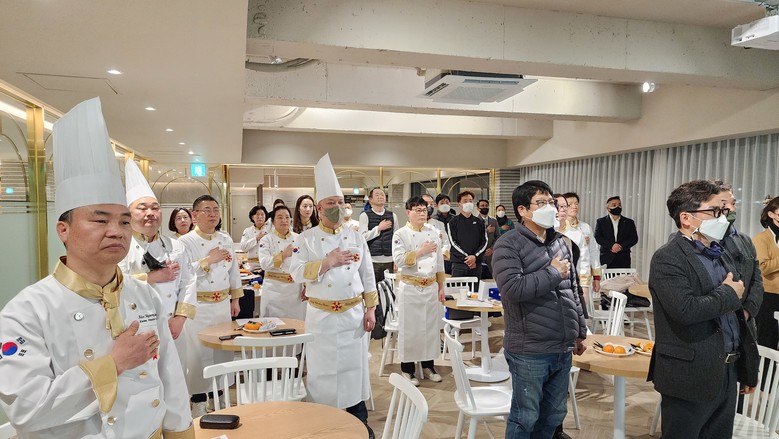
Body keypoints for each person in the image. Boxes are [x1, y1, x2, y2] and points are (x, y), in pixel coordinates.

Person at [0, 98, 193, 437]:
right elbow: (26, 410)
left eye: (124, 221)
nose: (116, 231)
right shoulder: (27, 311)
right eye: (100, 220)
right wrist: (113, 364)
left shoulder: (144, 295)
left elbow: (170, 378)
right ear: (64, 230)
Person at [648, 180, 758, 438]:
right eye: (714, 211)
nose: (723, 217)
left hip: (728, 367)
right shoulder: (668, 257)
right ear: (686, 218)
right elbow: (686, 310)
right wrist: (728, 293)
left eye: (723, 211)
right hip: (690, 372)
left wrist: (746, 367)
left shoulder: (719, 252)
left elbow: (735, 308)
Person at [289, 154, 377, 438]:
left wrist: (371, 309)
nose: (337, 207)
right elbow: (296, 272)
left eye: (340, 202)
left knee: (354, 368)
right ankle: (323, 423)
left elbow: (367, 274)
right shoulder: (305, 239)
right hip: (322, 315)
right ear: (319, 208)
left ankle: (358, 420)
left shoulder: (356, 236)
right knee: (322, 371)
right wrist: (327, 262)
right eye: (331, 203)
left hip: (352, 315)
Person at [492, 180, 586, 438]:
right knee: (525, 417)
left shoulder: (561, 242)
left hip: (562, 345)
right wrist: (553, 273)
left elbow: (573, 289)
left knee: (554, 415)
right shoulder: (508, 244)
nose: (550, 208)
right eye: (541, 203)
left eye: (551, 202)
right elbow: (513, 289)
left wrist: (579, 331)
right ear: (523, 210)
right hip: (529, 348)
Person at [119, 160, 197, 376]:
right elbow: (116, 282)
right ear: (128, 214)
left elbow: (189, 282)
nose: (150, 213)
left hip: (172, 326)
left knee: (176, 376)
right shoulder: (121, 247)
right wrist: (154, 277)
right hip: (136, 330)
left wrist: (180, 318)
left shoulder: (176, 246)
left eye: (155, 208)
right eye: (142, 208)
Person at [177, 194, 242, 417]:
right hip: (198, 306)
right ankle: (198, 398)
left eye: (216, 210)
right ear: (195, 215)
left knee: (221, 351)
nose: (213, 214)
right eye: (207, 210)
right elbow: (183, 273)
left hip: (222, 305)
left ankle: (219, 394)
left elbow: (234, 271)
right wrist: (208, 260)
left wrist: (235, 299)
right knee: (197, 354)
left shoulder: (225, 238)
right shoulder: (185, 242)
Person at [392, 196, 446, 386]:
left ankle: (428, 365)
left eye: (424, 210)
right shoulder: (400, 234)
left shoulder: (433, 232)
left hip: (430, 286)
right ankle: (407, 368)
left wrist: (441, 286)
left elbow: (439, 262)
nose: (422, 213)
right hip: (410, 287)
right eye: (418, 210)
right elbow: (399, 260)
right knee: (410, 329)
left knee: (430, 328)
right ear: (408, 212)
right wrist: (421, 251)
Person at [713, 181, 762, 342]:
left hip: (744, 327)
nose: (732, 209)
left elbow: (756, 280)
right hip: (713, 327)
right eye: (724, 204)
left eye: (733, 203)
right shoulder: (701, 240)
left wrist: (747, 312)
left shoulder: (745, 240)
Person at [257, 205, 306, 320]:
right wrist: (283, 255)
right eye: (280, 217)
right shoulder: (266, 239)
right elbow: (264, 264)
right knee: (273, 324)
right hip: (274, 291)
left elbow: (305, 264)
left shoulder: (299, 238)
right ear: (273, 221)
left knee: (296, 324)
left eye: (287, 217)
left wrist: (306, 286)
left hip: (295, 291)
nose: (284, 220)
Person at [563, 192, 603, 302]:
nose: (574, 207)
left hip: (584, 275)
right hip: (565, 276)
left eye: (576, 203)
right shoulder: (557, 228)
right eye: (570, 204)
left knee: (584, 306)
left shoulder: (585, 227)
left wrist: (596, 277)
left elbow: (594, 251)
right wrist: (579, 240)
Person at [753, 196, 779, 349]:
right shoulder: (761, 239)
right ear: (771, 214)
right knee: (768, 341)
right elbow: (762, 267)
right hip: (768, 296)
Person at [359, 187, 399, 283]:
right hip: (372, 260)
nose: (380, 197)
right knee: (373, 287)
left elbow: (397, 238)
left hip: (389, 259)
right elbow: (362, 237)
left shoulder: (393, 215)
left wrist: (396, 259)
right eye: (377, 195)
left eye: (382, 195)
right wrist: (378, 228)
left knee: (389, 288)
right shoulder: (365, 215)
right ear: (370, 199)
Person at [447, 190, 488, 280]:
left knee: (475, 289)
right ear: (459, 204)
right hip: (459, 264)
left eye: (470, 201)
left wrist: (475, 257)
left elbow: (484, 242)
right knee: (457, 289)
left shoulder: (479, 222)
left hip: (476, 264)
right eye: (465, 201)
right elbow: (453, 243)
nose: (468, 203)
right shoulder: (453, 222)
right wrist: (467, 258)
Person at [594, 196, 639, 269]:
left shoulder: (629, 222)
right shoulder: (601, 222)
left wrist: (621, 247)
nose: (617, 207)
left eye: (619, 205)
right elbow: (597, 237)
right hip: (606, 258)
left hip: (623, 259)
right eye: (614, 205)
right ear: (608, 208)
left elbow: (634, 239)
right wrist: (612, 245)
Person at [422, 193, 451, 262]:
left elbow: (446, 242)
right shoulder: (415, 224)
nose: (429, 206)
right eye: (426, 203)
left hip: (438, 260)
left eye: (431, 204)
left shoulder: (439, 224)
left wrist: (442, 255)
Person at [477, 199, 499, 279]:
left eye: (486, 206)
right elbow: (475, 237)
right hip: (479, 254)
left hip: (491, 254)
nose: (485, 207)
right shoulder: (475, 221)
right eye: (482, 206)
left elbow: (497, 236)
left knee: (492, 276)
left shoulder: (494, 221)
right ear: (478, 208)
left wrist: (492, 248)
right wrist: (486, 231)